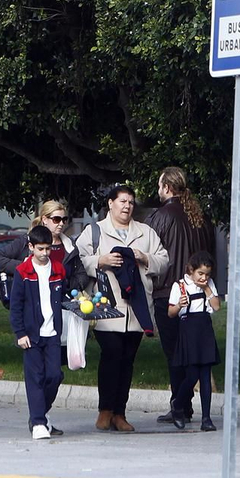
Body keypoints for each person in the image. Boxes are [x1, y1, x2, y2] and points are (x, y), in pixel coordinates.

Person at [75, 183, 168, 432]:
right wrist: (100, 261)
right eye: (122, 201)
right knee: (111, 355)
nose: (127, 206)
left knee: (127, 360)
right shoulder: (95, 231)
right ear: (111, 204)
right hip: (106, 307)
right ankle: (105, 410)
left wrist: (145, 257)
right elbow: (80, 259)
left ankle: (120, 412)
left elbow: (163, 260)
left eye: (130, 202)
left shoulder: (146, 232)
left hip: (137, 309)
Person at [147, 166, 217, 424]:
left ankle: (179, 405)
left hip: (169, 292)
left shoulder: (161, 216)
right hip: (198, 294)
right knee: (193, 352)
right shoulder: (200, 216)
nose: (158, 190)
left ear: (166, 187)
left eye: (159, 185)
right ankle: (184, 405)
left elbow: (149, 252)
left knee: (175, 353)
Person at [10, 225, 66, 440]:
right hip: (31, 335)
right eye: (40, 249)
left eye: (48, 249)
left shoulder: (59, 269)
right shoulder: (23, 272)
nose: (45, 254)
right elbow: (16, 305)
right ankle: (39, 423)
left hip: (52, 333)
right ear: (31, 247)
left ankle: (39, 413)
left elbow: (63, 297)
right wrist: (19, 332)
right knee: (35, 378)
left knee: (54, 375)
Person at [0, 198, 87, 308]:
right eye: (56, 219)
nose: (61, 224)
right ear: (45, 219)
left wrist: (66, 286)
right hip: (31, 303)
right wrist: (26, 267)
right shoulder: (26, 241)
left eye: (64, 219)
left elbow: (82, 275)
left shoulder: (70, 246)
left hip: (61, 304)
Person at [166, 250, 223, 432]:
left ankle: (206, 418)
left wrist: (207, 289)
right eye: (200, 273)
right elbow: (170, 313)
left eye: (207, 274)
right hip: (188, 330)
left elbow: (216, 306)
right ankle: (178, 404)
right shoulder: (180, 286)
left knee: (205, 374)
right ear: (191, 269)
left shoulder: (209, 285)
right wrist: (178, 305)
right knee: (192, 375)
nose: (204, 277)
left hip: (204, 329)